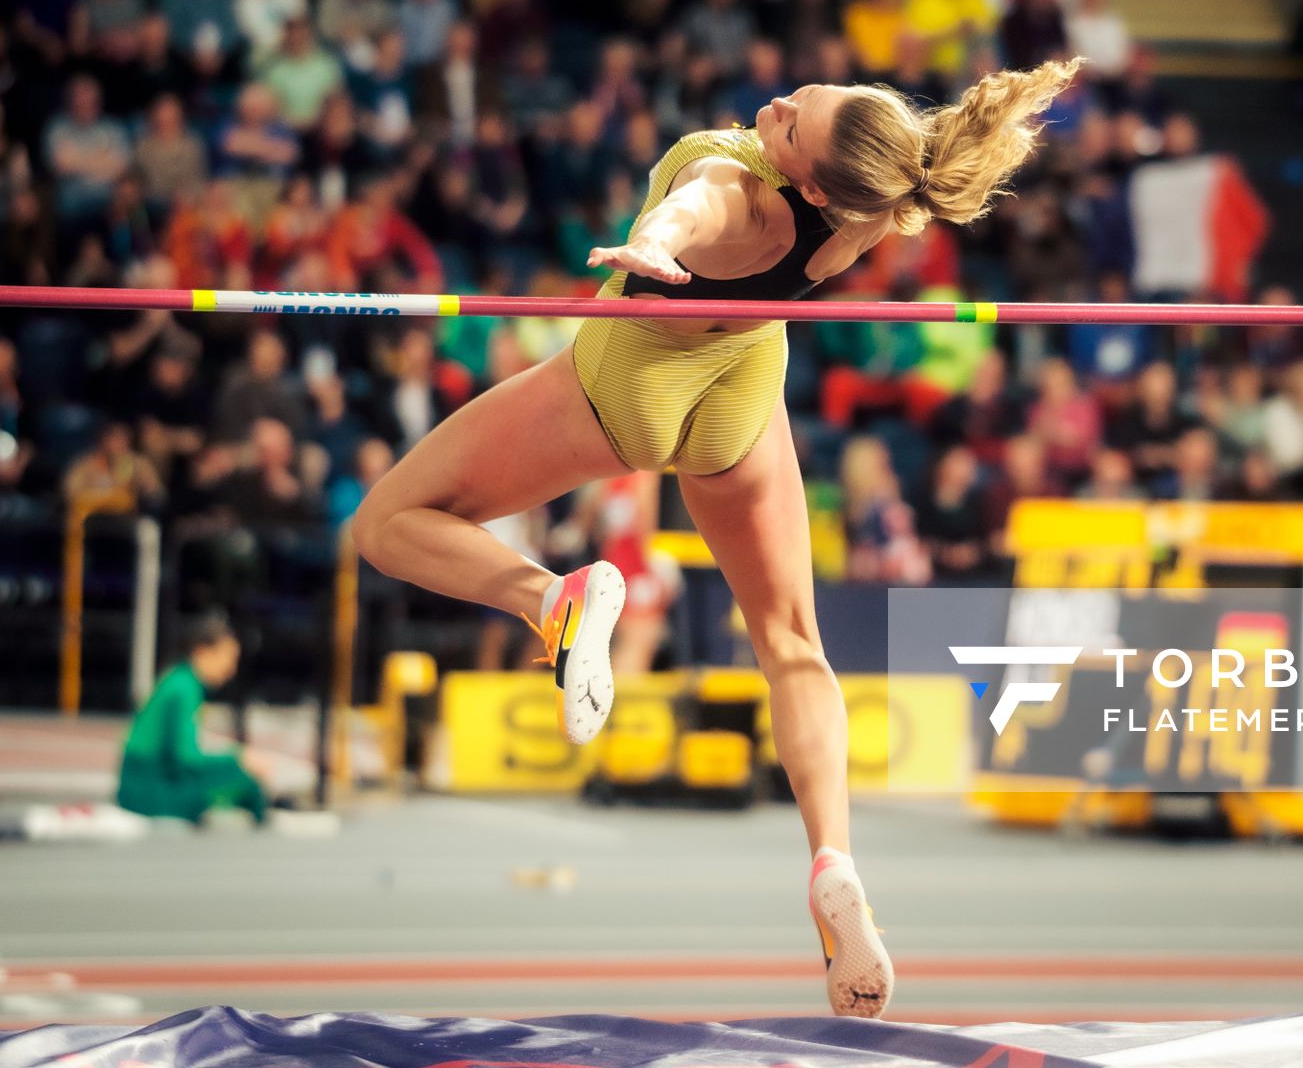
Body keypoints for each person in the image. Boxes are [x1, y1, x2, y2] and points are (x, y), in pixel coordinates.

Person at [353, 57, 1081, 1018]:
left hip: (630, 381)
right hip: (739, 394)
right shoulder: (874, 203)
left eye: (790, 126)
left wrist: (650, 238)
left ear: (808, 179)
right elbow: (854, 159)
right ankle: (834, 864)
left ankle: (547, 600)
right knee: (792, 647)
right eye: (800, 97)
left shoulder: (739, 185)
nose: (777, 108)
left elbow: (698, 206)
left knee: (388, 523)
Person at [115, 617, 269, 825]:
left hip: (140, 784)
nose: (231, 669)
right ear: (202, 652)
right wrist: (238, 758)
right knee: (247, 784)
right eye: (228, 658)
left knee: (235, 776)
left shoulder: (179, 679)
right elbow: (186, 758)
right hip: (150, 791)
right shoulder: (185, 689)